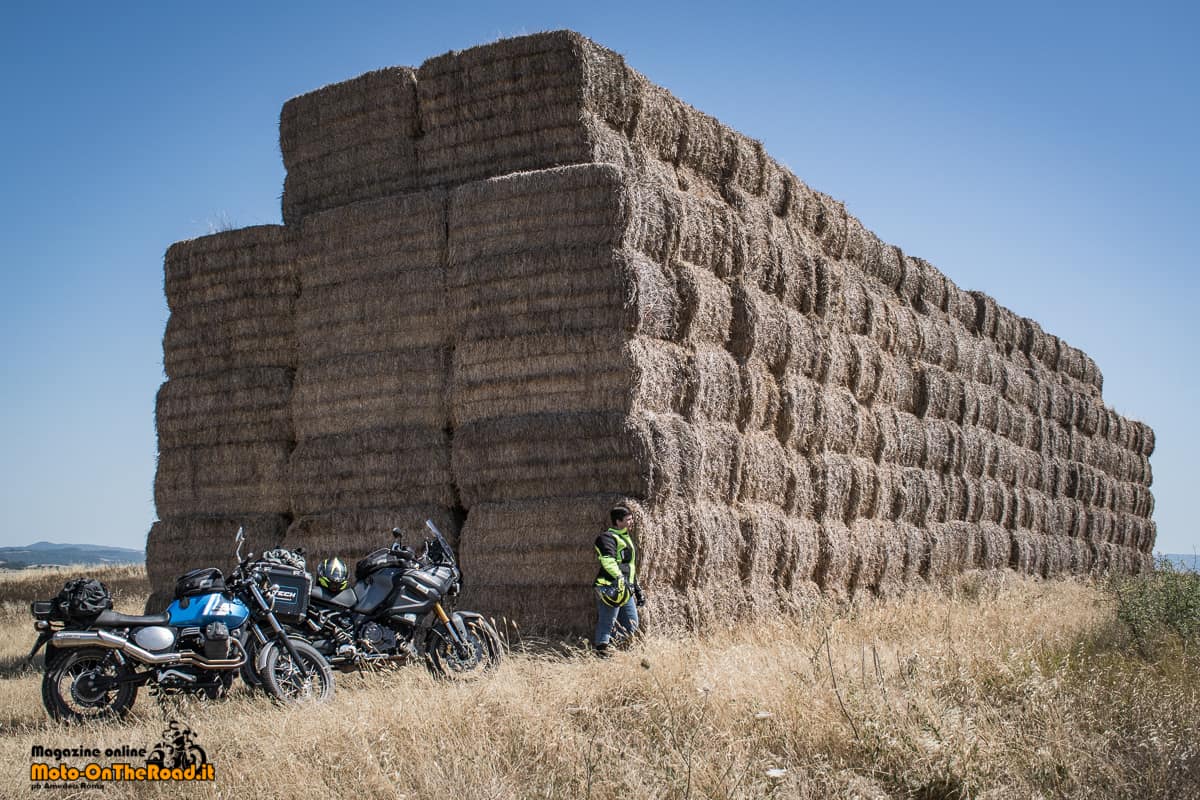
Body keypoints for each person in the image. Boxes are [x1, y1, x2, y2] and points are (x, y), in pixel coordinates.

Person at [593, 506, 646, 655]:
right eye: (628, 520)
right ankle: (602, 654)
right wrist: (619, 578)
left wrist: (637, 588)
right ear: (618, 521)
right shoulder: (606, 538)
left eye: (631, 518)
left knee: (632, 624)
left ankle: (609, 647)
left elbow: (629, 567)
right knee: (607, 623)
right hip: (610, 586)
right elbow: (608, 561)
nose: (632, 522)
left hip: (625, 588)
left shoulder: (625, 537)